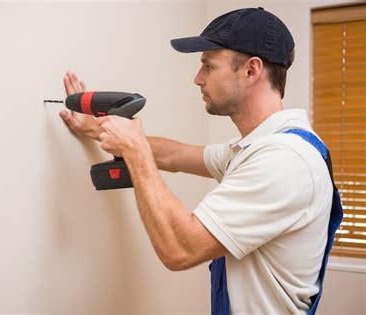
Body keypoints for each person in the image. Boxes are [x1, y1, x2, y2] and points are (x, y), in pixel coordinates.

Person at [58, 7, 342, 314]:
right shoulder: (256, 149)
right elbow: (175, 155)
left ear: (251, 70)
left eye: (208, 66)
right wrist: (95, 128)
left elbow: (180, 249)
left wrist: (137, 154)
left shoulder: (285, 162)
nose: (198, 78)